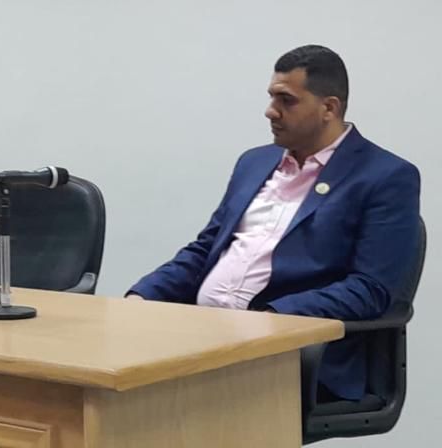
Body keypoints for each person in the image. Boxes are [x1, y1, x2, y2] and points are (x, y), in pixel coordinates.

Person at [127, 45, 421, 402]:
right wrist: (143, 295)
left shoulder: (384, 176)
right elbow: (206, 250)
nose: (270, 111)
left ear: (329, 108)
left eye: (287, 100)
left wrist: (272, 318)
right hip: (204, 335)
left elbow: (369, 288)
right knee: (114, 381)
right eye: (271, 97)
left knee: (154, 408)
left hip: (291, 354)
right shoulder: (254, 162)